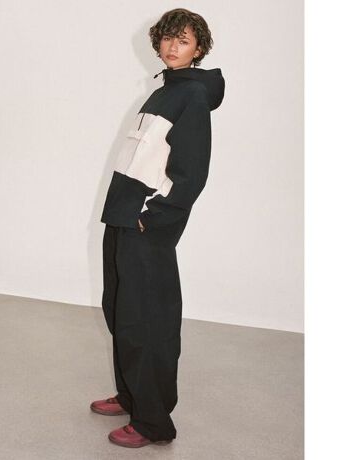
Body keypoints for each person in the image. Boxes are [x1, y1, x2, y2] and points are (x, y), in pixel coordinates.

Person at [91, 8, 225, 448]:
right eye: (168, 38)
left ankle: (153, 423)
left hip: (145, 226)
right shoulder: (164, 91)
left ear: (198, 48)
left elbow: (191, 172)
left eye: (183, 40)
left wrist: (153, 216)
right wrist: (124, 213)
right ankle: (132, 396)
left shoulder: (193, 96)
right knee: (120, 311)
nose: (172, 46)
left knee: (148, 323)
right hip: (122, 218)